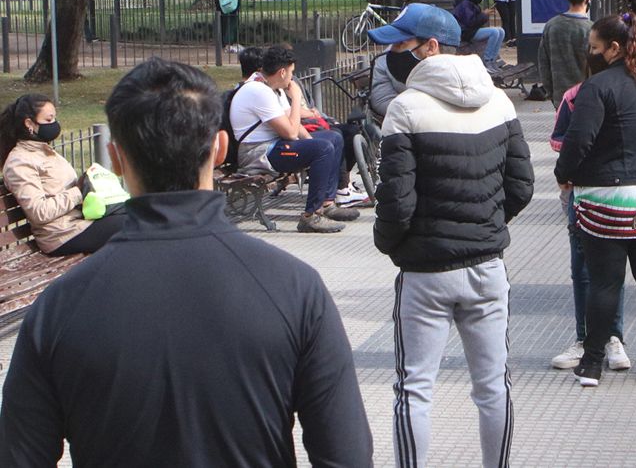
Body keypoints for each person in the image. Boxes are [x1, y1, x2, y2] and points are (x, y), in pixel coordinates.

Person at [0, 59, 373, 466]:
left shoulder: (59, 307)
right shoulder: (295, 287)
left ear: (116, 158)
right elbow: (346, 454)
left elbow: (20, 456)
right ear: (219, 148)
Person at [374, 6, 533, 467]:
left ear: (430, 48)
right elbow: (522, 186)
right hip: (487, 268)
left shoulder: (405, 109)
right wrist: (485, 225)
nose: (391, 54)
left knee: (413, 388)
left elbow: (396, 202)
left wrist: (393, 245)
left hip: (425, 271)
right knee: (492, 385)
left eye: (400, 45)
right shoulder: (499, 101)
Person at [554, 14, 636, 387]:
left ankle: (592, 363)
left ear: (614, 48)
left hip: (606, 197)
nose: (590, 53)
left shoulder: (597, 88)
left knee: (604, 283)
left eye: (594, 47)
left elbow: (577, 142)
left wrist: (564, 175)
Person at [547, 57, 629, 373]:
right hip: (580, 191)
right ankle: (584, 339)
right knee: (582, 268)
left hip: (618, 191)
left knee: (612, 271)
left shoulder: (633, 92)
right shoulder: (575, 96)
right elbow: (558, 137)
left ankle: (612, 337)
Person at [230, 46, 359, 233]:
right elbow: (290, 132)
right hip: (258, 152)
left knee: (333, 138)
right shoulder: (259, 91)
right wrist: (297, 97)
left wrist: (308, 141)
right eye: (291, 72)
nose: (292, 77)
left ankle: (327, 203)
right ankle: (311, 216)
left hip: (275, 144)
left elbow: (293, 124)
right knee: (323, 148)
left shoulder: (273, 88)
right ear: (282, 72)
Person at [0, 95, 126, 257]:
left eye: (55, 118)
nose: (54, 124)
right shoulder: (19, 162)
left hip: (79, 222)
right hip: (60, 235)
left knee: (140, 213)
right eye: (49, 119)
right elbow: (39, 212)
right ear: (29, 124)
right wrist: (79, 191)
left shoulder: (44, 151)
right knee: (135, 225)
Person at [537, 0, 592, 107]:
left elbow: (543, 63)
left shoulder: (551, 25)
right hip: (586, 98)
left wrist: (550, 92)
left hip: (560, 98)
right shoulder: (591, 29)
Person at [452, 0, 508, 73]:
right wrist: (483, 15)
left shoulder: (470, 3)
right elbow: (471, 22)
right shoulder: (465, 4)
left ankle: (493, 60)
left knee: (501, 31)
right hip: (466, 33)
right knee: (494, 32)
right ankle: (487, 60)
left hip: (471, 31)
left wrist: (482, 14)